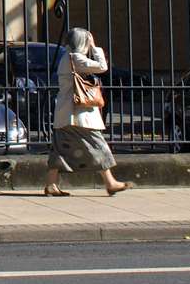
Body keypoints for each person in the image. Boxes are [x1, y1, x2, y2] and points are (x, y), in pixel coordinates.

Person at [43, 27, 133, 196]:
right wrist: (95, 47)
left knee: (60, 150)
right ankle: (110, 182)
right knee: (98, 145)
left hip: (65, 114)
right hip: (78, 115)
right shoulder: (76, 58)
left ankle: (51, 184)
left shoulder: (66, 58)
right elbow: (102, 66)